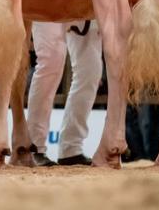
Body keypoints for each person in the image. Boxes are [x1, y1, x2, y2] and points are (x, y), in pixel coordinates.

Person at [27, 20, 103, 166]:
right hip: (47, 0)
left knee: (91, 69)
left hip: (85, 1)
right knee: (50, 61)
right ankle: (35, 147)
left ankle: (71, 148)